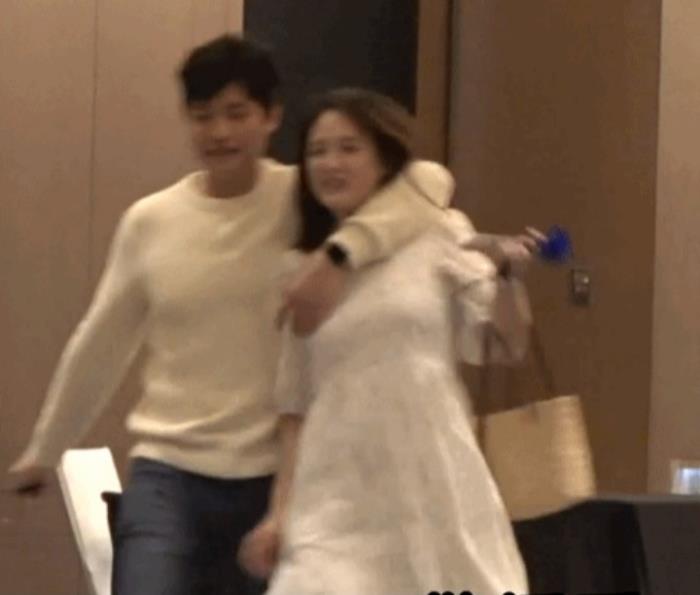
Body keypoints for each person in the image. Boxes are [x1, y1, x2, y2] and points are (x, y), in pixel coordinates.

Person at [4, 37, 454, 595]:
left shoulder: (304, 199)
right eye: (203, 116)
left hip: (273, 478)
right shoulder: (151, 221)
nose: (219, 132)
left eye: (237, 114)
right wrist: (45, 451)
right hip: (168, 471)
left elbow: (430, 183)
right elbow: (99, 343)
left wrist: (339, 253)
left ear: (272, 116)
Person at [239, 88, 538, 595]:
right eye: (317, 151)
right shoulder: (303, 270)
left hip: (430, 476)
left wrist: (509, 277)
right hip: (334, 488)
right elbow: (295, 403)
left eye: (349, 148)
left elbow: (502, 345)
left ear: (383, 159)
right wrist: (279, 512)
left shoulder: (440, 232)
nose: (331, 164)